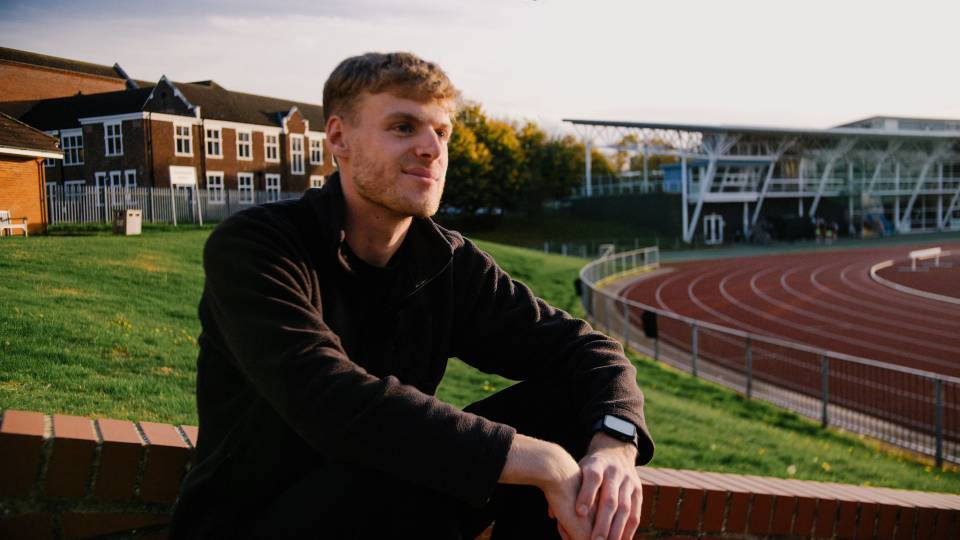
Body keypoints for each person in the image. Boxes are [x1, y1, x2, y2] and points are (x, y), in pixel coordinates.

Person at [170, 52, 654, 540]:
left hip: (388, 507)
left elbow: (587, 349)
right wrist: (542, 460)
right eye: (404, 127)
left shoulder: (445, 260)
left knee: (573, 402)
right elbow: (331, 401)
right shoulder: (258, 246)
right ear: (338, 138)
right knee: (518, 451)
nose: (431, 149)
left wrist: (615, 442)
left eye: (441, 132)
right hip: (260, 520)